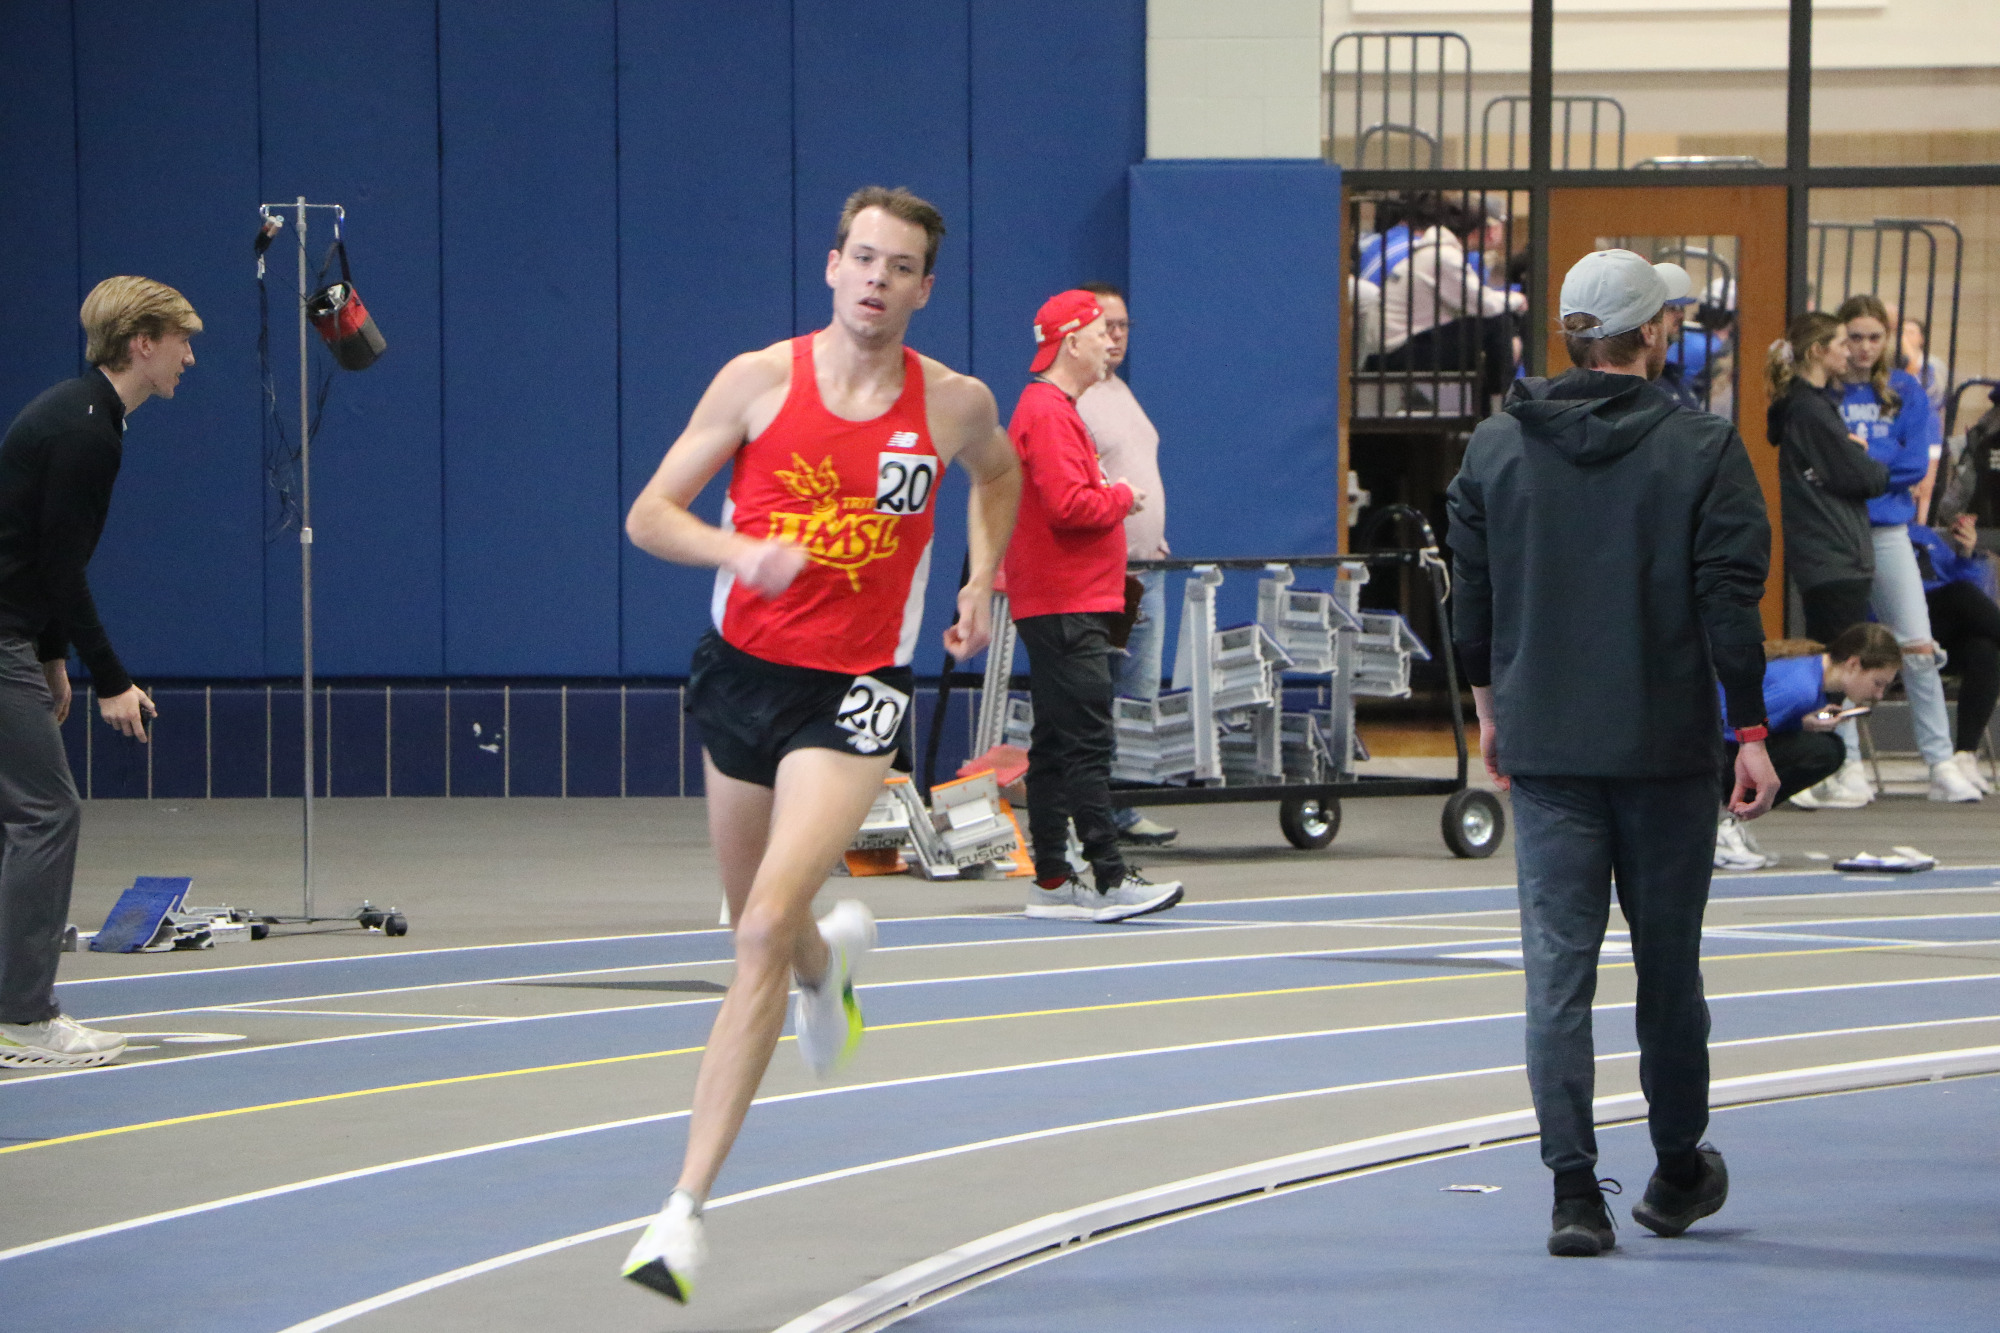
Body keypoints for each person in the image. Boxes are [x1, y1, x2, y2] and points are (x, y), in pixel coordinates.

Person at [618, 186, 1023, 1303]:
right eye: (861, 258)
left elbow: (1000, 475)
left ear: (923, 289)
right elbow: (649, 515)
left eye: (899, 267)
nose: (875, 279)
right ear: (831, 266)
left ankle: (680, 1215)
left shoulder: (951, 404)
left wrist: (982, 574)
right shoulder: (755, 380)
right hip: (744, 675)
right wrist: (735, 550)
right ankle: (825, 965)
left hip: (856, 692)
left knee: (749, 929)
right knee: (767, 913)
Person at [1447, 249, 1777, 1258]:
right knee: (1666, 969)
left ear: (1568, 333)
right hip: (1665, 746)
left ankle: (1571, 1193)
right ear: (1654, 331)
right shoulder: (1702, 447)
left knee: (1556, 974)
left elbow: (1472, 597)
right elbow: (1728, 598)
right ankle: (1676, 1168)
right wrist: (1750, 729)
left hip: (1545, 744)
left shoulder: (1496, 447)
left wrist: (1486, 714)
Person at [0, 276, 198, 1070]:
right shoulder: (88, 431)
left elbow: (42, 555)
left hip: (16, 635)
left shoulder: (83, 415)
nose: (189, 355)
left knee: (27, 817)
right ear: (141, 343)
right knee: (47, 814)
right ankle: (22, 1019)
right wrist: (109, 677)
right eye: (181, 339)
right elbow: (60, 565)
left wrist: (53, 658)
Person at [1007, 289, 1182, 924]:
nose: (1111, 340)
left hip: (1067, 598)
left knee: (1056, 743)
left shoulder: (1054, 409)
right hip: (1066, 601)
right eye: (1098, 330)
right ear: (1071, 342)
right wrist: (1120, 497)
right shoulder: (1050, 413)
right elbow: (1070, 506)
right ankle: (1108, 876)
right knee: (1085, 741)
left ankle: (1052, 879)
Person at [1827, 295, 1978, 804]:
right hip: (1839, 529)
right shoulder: (1825, 389)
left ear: (1886, 339)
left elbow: (1917, 466)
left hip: (1889, 531)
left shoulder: (1905, 388)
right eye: (1855, 337)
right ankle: (1845, 761)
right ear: (1839, 338)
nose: (1865, 348)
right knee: (1843, 652)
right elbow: (1825, 464)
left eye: (1874, 337)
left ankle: (1939, 762)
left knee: (1918, 645)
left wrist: (1867, 456)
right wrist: (1867, 466)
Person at [1075, 281, 1176, 847]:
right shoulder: (1074, 401)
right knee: (1097, 697)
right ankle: (1091, 814)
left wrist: (1153, 538)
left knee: (1137, 696)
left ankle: (1125, 808)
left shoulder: (1118, 392)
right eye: (1104, 326)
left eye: (1123, 327)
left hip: (1146, 570)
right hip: (1104, 575)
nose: (1115, 337)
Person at [1715, 624, 1902, 867]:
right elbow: (1726, 724)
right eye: (1877, 683)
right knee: (1822, 752)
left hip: (1719, 746)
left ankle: (1725, 820)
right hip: (1705, 752)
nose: (1878, 695)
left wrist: (1802, 724)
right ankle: (1719, 823)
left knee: (1827, 747)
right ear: (1854, 664)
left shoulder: (1814, 678)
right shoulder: (1800, 688)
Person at [1767, 313, 1887, 645]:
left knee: (1835, 660)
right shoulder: (1810, 410)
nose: (1850, 352)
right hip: (1834, 554)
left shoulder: (1810, 407)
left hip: (1830, 554)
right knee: (1840, 666)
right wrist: (1871, 464)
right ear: (1818, 351)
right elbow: (1862, 477)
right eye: (1842, 343)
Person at [1370, 194, 1528, 405]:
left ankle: (1487, 405)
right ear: (1480, 231)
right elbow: (1484, 305)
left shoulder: (1434, 251)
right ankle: (1502, 399)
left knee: (1485, 336)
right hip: (1398, 353)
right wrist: (1517, 300)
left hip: (1397, 346)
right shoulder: (1444, 257)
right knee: (1498, 323)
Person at [1911, 513, 2000, 790]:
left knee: (1985, 650)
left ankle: (1965, 755)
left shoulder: (1925, 535)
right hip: (1903, 623)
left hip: (1944, 628)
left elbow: (1976, 601)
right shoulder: (1873, 532)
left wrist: (1965, 553)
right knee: (1959, 593)